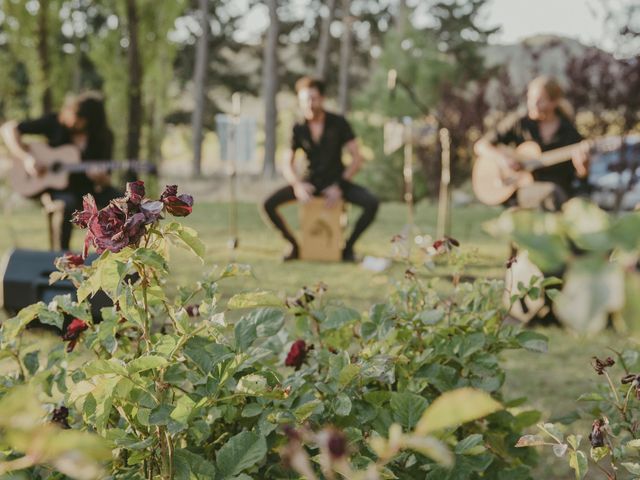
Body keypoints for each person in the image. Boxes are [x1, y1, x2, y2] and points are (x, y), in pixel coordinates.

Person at [262, 76, 379, 262]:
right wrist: (298, 185)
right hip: (310, 182)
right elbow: (287, 162)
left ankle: (347, 249)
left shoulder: (339, 122)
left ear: (322, 98)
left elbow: (357, 158)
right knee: (267, 204)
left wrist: (339, 186)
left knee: (372, 203)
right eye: (304, 100)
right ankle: (294, 246)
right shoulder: (298, 127)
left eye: (313, 98)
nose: (309, 103)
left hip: (337, 181)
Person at [0, 92, 121, 250]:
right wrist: (27, 157)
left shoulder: (104, 137)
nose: (75, 122)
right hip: (56, 189)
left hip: (87, 190)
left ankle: (118, 251)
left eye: (80, 119)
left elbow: (106, 179)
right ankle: (62, 258)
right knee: (66, 204)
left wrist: (100, 178)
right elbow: (9, 129)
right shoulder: (55, 123)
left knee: (120, 201)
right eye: (74, 116)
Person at [474, 76, 590, 211]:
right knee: (549, 194)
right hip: (520, 188)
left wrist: (583, 169)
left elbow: (578, 179)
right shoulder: (520, 123)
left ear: (554, 102)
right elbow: (481, 145)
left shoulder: (570, 134)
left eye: (540, 100)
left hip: (556, 190)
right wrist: (503, 159)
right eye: (530, 99)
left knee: (553, 193)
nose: (532, 105)